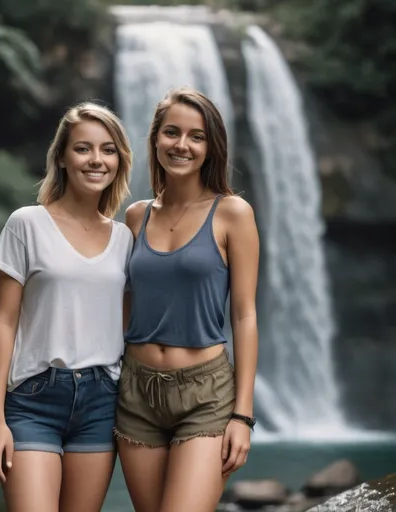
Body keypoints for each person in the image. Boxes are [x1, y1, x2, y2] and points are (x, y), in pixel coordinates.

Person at [115, 87, 259, 512]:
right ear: (155, 139)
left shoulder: (233, 212)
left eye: (196, 136)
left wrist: (243, 416)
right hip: (135, 394)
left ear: (211, 146)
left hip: (206, 395)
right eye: (172, 133)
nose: (182, 145)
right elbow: (126, 306)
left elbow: (245, 314)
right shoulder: (136, 216)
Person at [0, 102, 133, 512]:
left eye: (107, 149)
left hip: (103, 400)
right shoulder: (26, 223)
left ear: (119, 160)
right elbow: (3, 323)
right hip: (34, 398)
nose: (96, 160)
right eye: (83, 149)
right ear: (63, 158)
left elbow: (126, 326)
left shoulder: (125, 239)